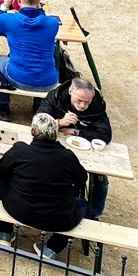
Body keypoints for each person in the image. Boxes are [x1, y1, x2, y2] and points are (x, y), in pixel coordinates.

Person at [0, 113, 91, 259]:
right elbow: (82, 178)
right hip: (57, 220)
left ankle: (5, 233)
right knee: (84, 204)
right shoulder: (67, 156)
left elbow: (1, 169)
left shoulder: (20, 150)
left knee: (1, 180)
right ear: (55, 134)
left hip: (18, 210)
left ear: (32, 132)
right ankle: (51, 249)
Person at [37, 76, 114, 218]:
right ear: (70, 91)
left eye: (87, 102)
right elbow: (38, 121)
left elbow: (105, 134)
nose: (83, 105)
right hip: (57, 147)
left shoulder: (97, 105)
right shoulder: (56, 97)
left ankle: (93, 214)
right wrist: (59, 122)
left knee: (101, 177)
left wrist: (76, 131)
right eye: (79, 100)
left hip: (86, 149)